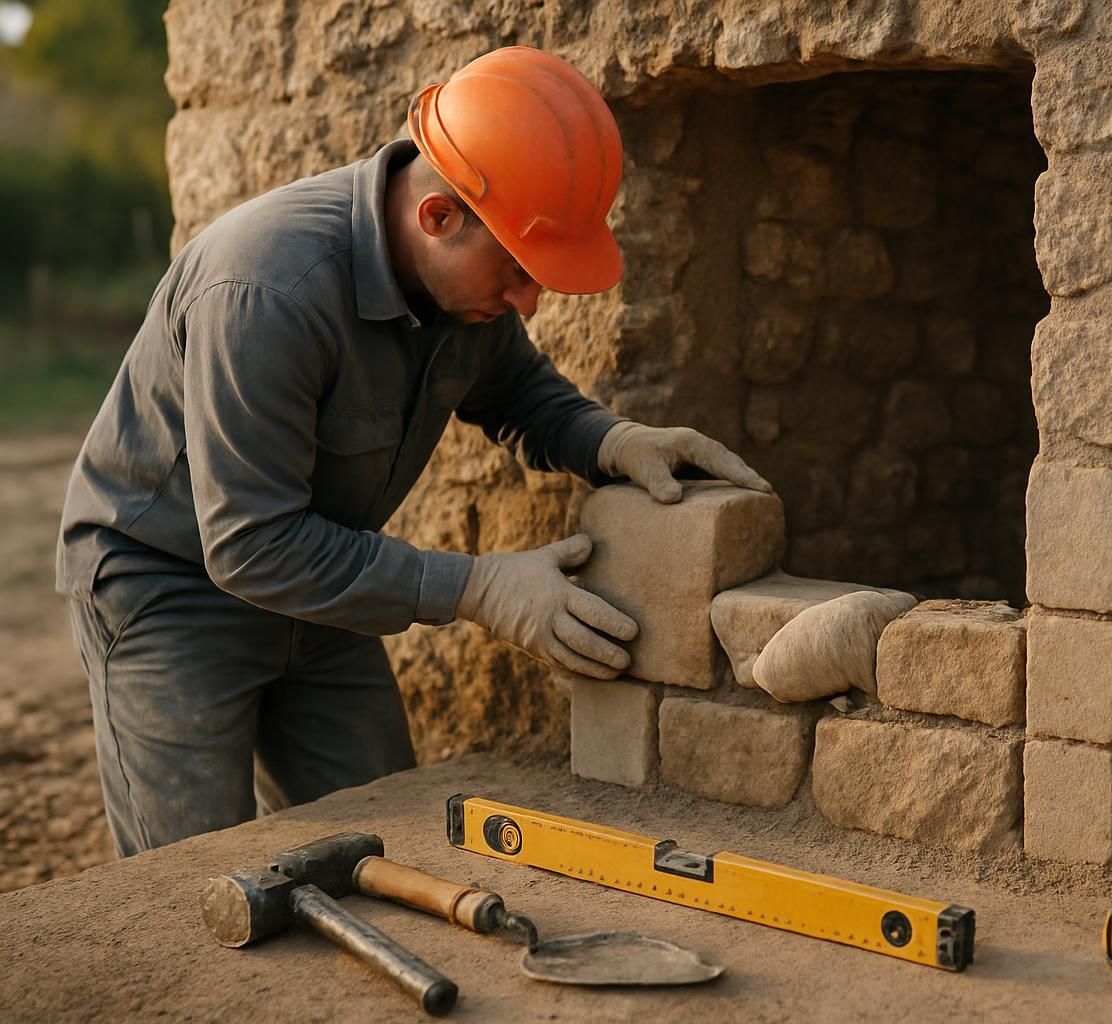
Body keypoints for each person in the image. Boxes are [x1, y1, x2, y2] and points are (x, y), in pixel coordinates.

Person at [55, 47, 769, 857]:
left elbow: (518, 394)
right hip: (170, 590)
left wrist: (615, 440)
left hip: (321, 577)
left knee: (382, 847)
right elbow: (249, 544)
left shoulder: (463, 284)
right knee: (196, 878)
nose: (528, 301)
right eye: (518, 271)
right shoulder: (268, 292)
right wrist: (477, 588)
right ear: (438, 218)